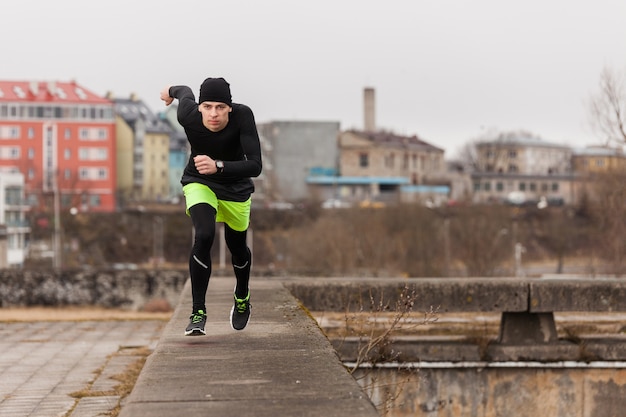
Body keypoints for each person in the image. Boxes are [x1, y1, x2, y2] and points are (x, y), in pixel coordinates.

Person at [160, 77, 262, 335]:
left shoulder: (243, 116)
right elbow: (184, 91)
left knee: (237, 247)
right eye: (207, 107)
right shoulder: (188, 115)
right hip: (199, 181)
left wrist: (219, 165)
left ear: (229, 107)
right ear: (200, 108)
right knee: (203, 235)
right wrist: (169, 92)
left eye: (220, 107)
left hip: (236, 186)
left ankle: (242, 295)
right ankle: (197, 313)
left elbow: (255, 165)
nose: (213, 114)